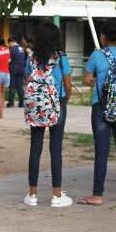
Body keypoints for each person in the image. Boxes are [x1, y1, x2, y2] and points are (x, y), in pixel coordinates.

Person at [78, 21, 116, 205]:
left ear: (103, 37)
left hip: (101, 106)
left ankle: (97, 194)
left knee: (101, 152)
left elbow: (87, 80)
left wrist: (98, 80)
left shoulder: (97, 55)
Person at [24, 24, 73, 208]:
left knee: (35, 147)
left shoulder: (32, 57)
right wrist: (64, 100)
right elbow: (68, 84)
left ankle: (32, 194)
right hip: (56, 103)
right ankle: (56, 195)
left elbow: (27, 79)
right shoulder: (61, 57)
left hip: (36, 105)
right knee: (56, 148)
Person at [7, 36, 27, 108]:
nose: (9, 45)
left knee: (12, 86)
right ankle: (21, 103)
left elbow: (9, 60)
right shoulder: (22, 49)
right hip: (22, 69)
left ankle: (11, 103)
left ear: (11, 42)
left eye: (9, 43)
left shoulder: (11, 49)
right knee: (20, 87)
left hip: (14, 69)